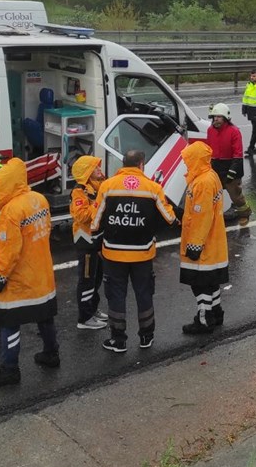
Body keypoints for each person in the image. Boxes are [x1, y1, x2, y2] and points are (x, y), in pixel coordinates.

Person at [0, 158, 60, 388]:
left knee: (10, 324)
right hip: (42, 275)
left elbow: (9, 252)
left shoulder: (10, 211)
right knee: (45, 318)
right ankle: (51, 354)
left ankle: (9, 369)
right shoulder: (39, 199)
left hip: (19, 281)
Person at [92, 149, 178, 353]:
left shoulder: (107, 185)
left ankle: (118, 340)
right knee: (144, 293)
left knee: (116, 295)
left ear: (123, 165)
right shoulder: (153, 188)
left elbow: (95, 222)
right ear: (141, 164)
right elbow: (170, 218)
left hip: (113, 254)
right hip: (142, 254)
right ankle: (146, 336)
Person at [178, 141, 230, 337]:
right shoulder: (210, 175)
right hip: (214, 241)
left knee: (199, 283)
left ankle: (204, 319)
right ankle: (216, 312)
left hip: (204, 244)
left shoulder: (202, 182)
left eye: (188, 160)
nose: (186, 164)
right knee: (210, 282)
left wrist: (194, 245)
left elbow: (202, 216)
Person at [70, 155, 108, 330]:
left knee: (96, 278)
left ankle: (92, 309)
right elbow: (82, 216)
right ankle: (84, 318)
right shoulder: (79, 192)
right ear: (87, 172)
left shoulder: (100, 185)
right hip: (86, 243)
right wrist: (99, 203)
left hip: (98, 240)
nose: (99, 169)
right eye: (95, 167)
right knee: (86, 280)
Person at [206, 103, 251, 226]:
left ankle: (244, 214)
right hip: (216, 165)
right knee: (212, 194)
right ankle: (213, 216)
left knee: (236, 195)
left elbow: (238, 154)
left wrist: (232, 172)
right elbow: (209, 149)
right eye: (214, 117)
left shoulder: (234, 131)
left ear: (225, 118)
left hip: (231, 165)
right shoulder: (210, 130)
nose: (216, 119)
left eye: (219, 117)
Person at [242, 69, 256, 155]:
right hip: (250, 110)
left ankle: (251, 147)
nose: (252, 77)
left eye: (254, 76)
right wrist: (244, 107)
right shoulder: (249, 84)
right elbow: (246, 96)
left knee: (255, 130)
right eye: (251, 76)